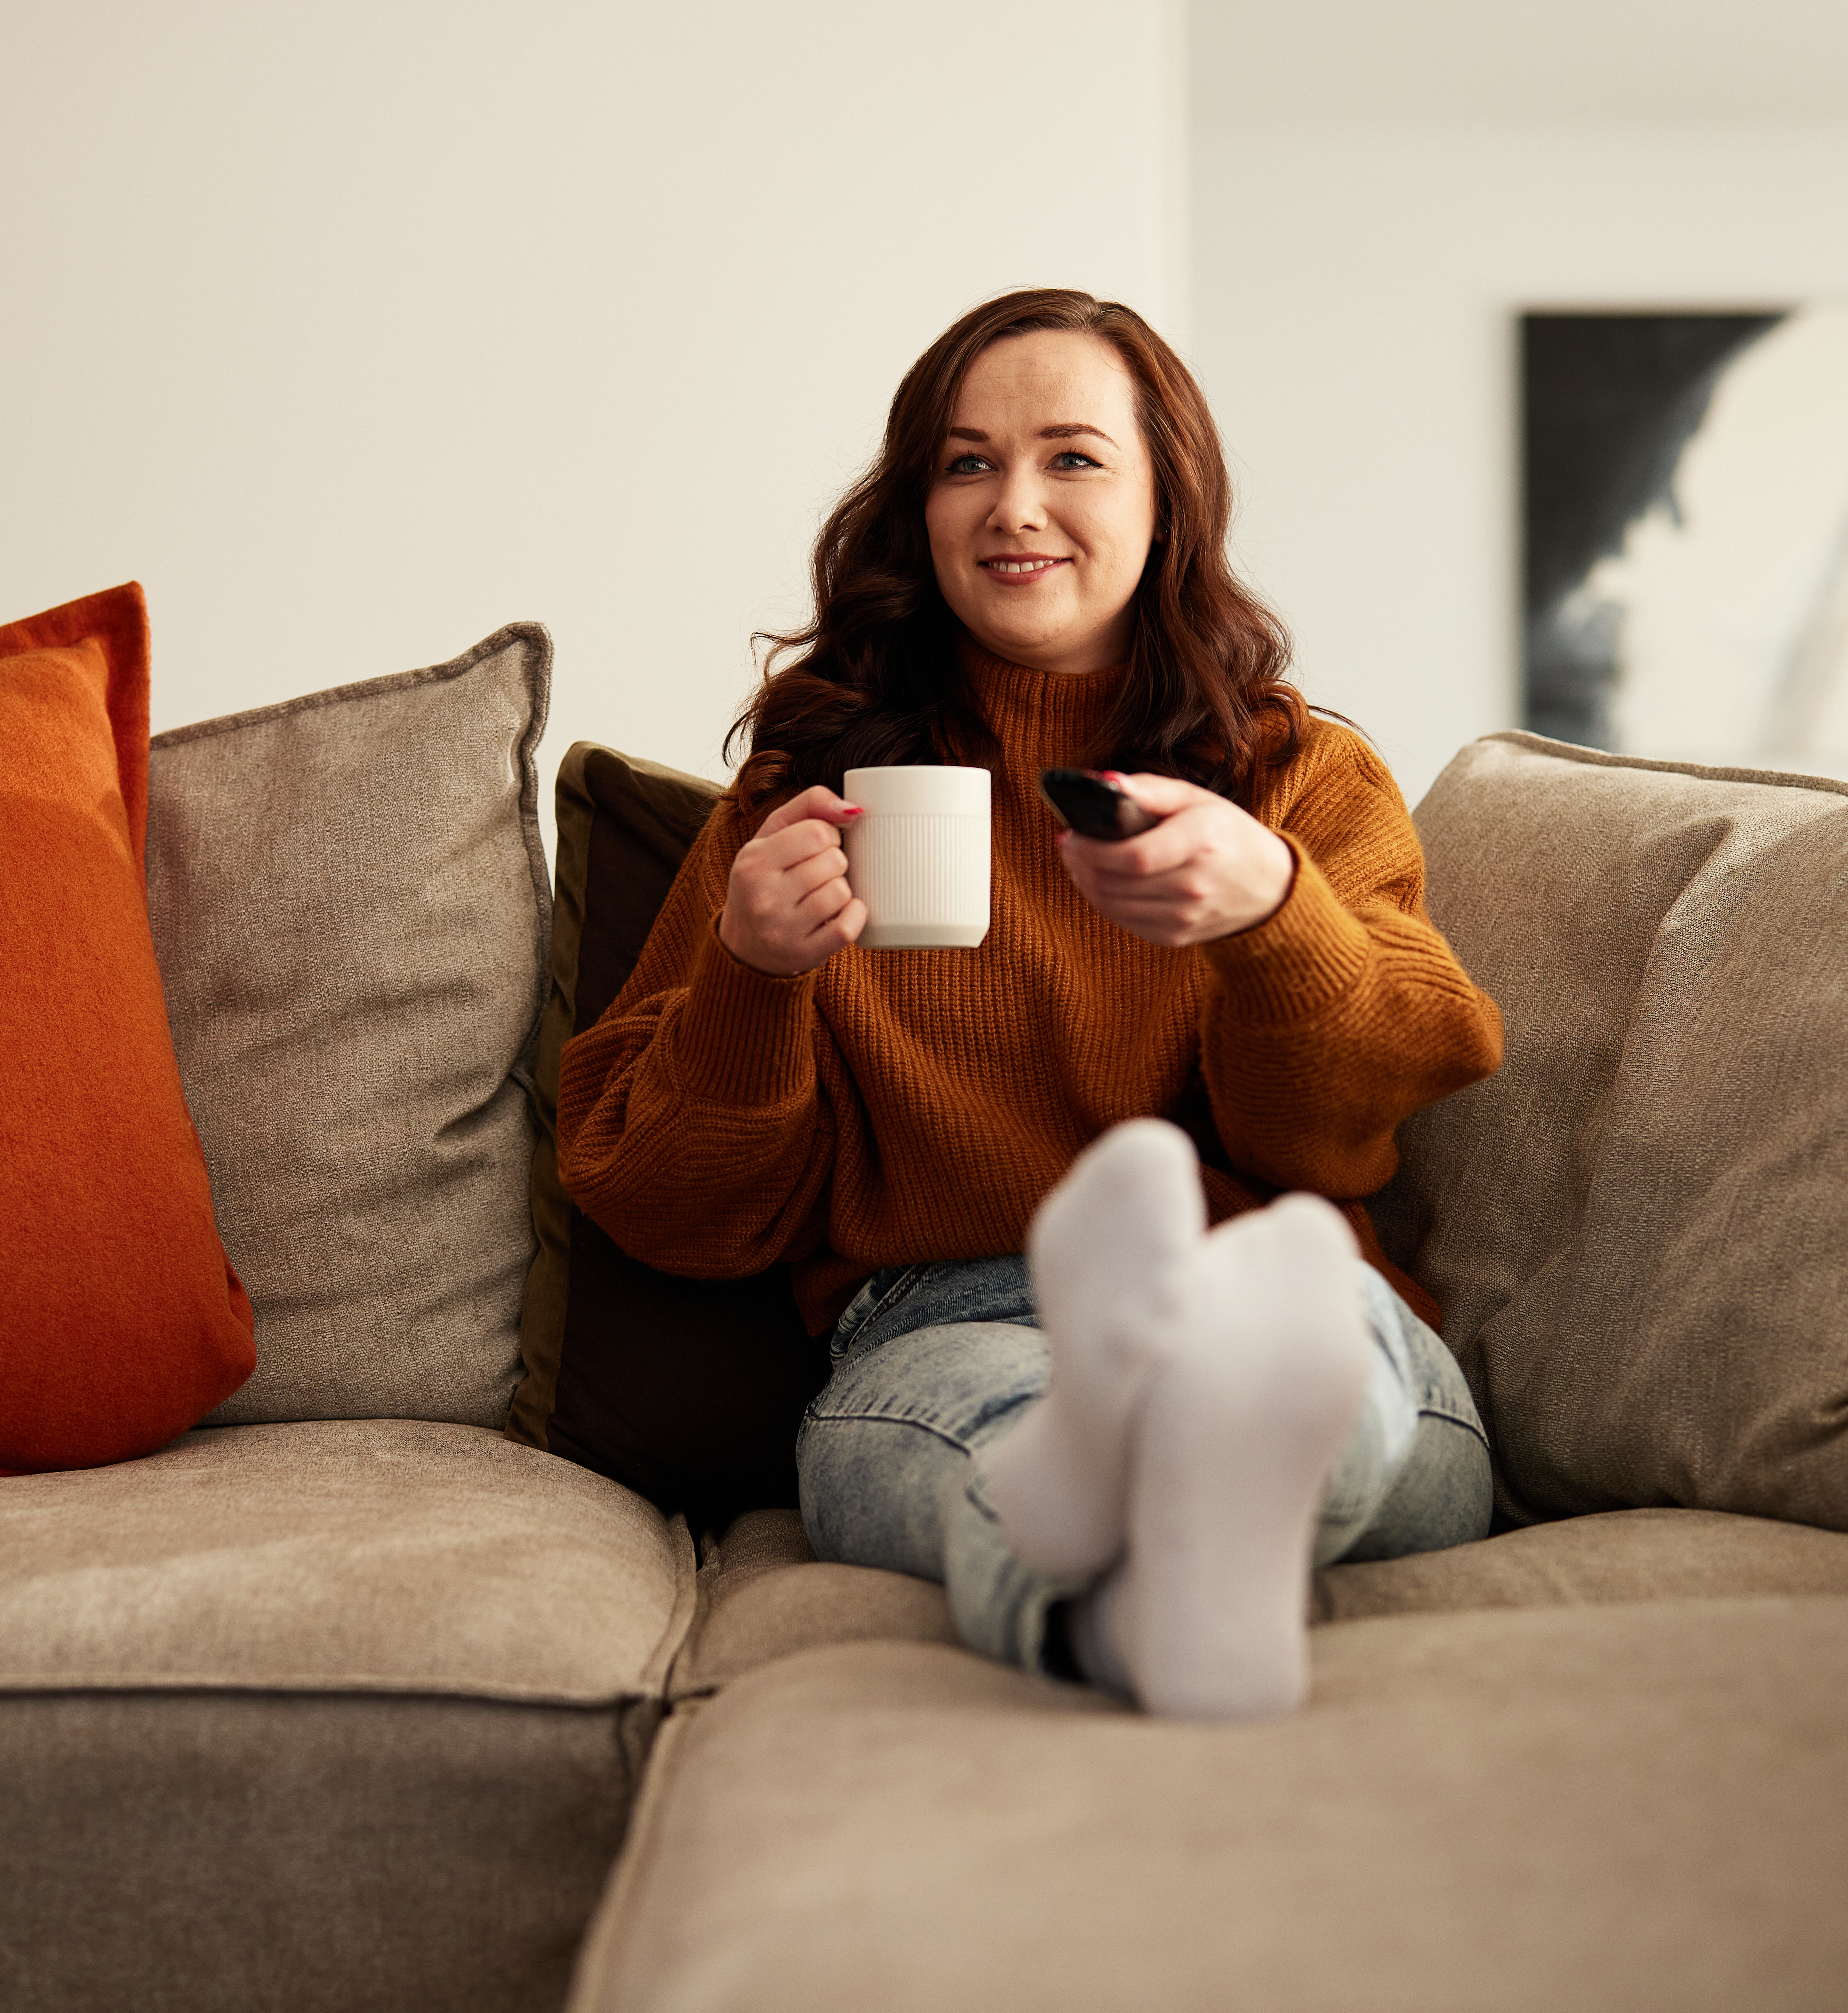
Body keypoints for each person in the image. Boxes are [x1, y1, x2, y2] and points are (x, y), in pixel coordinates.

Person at [556, 288, 1503, 1719]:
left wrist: (1270, 918)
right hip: (944, 1317)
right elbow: (665, 1203)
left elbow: (1344, 1141)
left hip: (1265, 1289)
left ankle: (1121, 1532)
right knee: (1012, 1430)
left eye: (1070, 457)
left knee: (1320, 1395)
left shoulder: (1292, 780)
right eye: (964, 462)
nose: (1013, 506)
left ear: (1165, 495)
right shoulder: (801, 798)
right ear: (915, 507)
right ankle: (1162, 1515)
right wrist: (754, 976)